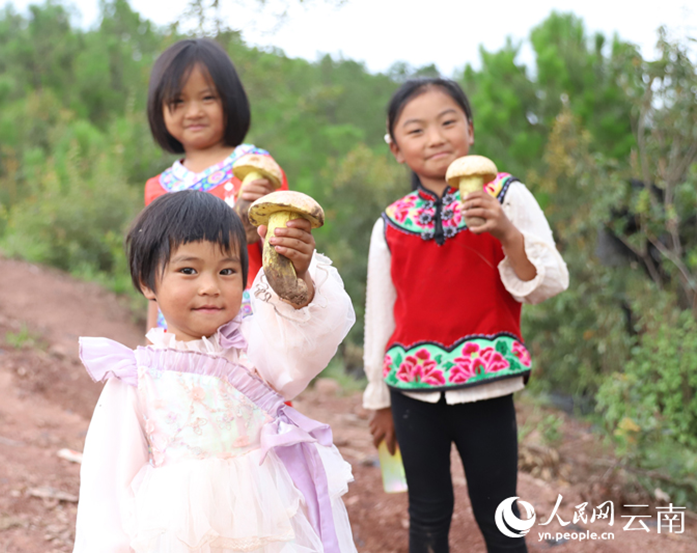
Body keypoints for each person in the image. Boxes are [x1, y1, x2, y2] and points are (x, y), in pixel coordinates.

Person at [73, 190, 358, 553]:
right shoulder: (137, 376)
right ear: (147, 283)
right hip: (182, 537)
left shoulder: (254, 345)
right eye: (188, 270)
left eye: (226, 271)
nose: (209, 287)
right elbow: (108, 492)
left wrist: (298, 281)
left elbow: (302, 350)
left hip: (270, 527)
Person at [363, 78, 569, 553]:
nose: (435, 138)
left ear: (470, 131)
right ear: (397, 149)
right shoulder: (391, 221)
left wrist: (508, 234)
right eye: (416, 130)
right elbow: (381, 315)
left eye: (448, 122)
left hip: (488, 388)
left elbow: (551, 282)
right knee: (428, 514)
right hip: (410, 393)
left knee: (500, 514)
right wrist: (378, 398)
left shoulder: (508, 195)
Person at [144, 38, 287, 331]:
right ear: (160, 109)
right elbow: (155, 275)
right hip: (178, 334)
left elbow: (284, 250)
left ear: (230, 100)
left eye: (207, 98)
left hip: (246, 327)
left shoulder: (256, 167)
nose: (194, 111)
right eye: (178, 101)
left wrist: (262, 214)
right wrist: (151, 341)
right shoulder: (158, 187)